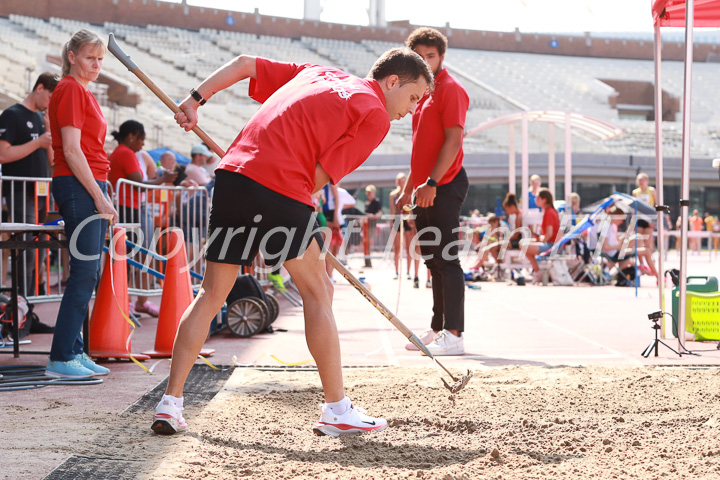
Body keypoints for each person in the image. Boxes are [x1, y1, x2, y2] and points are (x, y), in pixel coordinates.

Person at [151, 47, 433, 436]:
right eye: (414, 97)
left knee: (212, 293)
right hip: (281, 186)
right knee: (319, 291)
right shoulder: (375, 116)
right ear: (392, 81)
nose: (412, 110)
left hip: (232, 175)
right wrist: (296, 216)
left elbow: (244, 64)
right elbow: (316, 178)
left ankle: (170, 404)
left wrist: (194, 100)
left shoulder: (318, 72)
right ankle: (336, 409)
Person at [46, 29, 118, 377]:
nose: (97, 65)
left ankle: (73, 349)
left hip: (83, 182)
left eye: (101, 59)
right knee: (84, 272)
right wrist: (99, 194)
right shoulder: (71, 89)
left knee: (87, 272)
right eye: (90, 57)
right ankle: (61, 357)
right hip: (78, 184)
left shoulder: (79, 91)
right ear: (72, 56)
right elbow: (72, 150)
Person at [397, 27, 469, 356]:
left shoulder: (451, 90)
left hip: (444, 183)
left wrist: (433, 183)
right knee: (432, 262)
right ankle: (438, 329)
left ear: (441, 57)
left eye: (431, 56)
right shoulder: (421, 92)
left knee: (446, 259)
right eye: (420, 56)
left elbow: (453, 140)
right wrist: (409, 188)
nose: (426, 61)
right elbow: (419, 149)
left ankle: (454, 334)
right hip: (424, 186)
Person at [108, 120, 176, 317]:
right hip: (128, 207)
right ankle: (126, 301)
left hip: (128, 205)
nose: (142, 144)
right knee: (130, 255)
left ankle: (130, 300)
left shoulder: (120, 152)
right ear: (132, 136)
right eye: (141, 140)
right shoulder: (125, 153)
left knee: (130, 255)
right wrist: (163, 179)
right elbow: (139, 182)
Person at [0, 72, 58, 297]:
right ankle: (21, 305)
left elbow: (52, 160)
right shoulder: (12, 115)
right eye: (51, 96)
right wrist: (38, 142)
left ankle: (30, 305)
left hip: (42, 193)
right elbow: (3, 154)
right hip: (20, 192)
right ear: (40, 88)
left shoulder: (41, 119)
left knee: (40, 253)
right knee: (25, 250)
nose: (51, 102)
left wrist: (49, 133)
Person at [524, 188, 561, 283]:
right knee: (523, 243)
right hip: (551, 243)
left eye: (537, 198)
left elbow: (549, 235)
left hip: (551, 245)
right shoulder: (549, 211)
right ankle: (537, 271)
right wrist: (539, 238)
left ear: (544, 199)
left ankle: (537, 271)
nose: (535, 200)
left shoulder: (549, 212)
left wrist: (540, 239)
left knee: (524, 245)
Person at [389, 172, 420, 283]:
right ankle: (397, 272)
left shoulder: (410, 194)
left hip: (408, 220)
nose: (402, 183)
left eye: (404, 181)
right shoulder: (393, 195)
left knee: (409, 247)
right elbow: (392, 210)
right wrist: (391, 223)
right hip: (397, 220)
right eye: (400, 181)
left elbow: (411, 209)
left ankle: (408, 272)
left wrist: (412, 220)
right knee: (397, 248)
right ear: (398, 182)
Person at [631, 172, 657, 270]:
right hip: (639, 219)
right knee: (638, 242)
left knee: (648, 243)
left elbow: (657, 206)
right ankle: (642, 264)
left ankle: (650, 261)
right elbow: (634, 208)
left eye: (643, 180)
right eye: (639, 180)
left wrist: (654, 220)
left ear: (647, 181)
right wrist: (633, 222)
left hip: (649, 219)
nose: (641, 182)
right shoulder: (635, 192)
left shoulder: (651, 191)